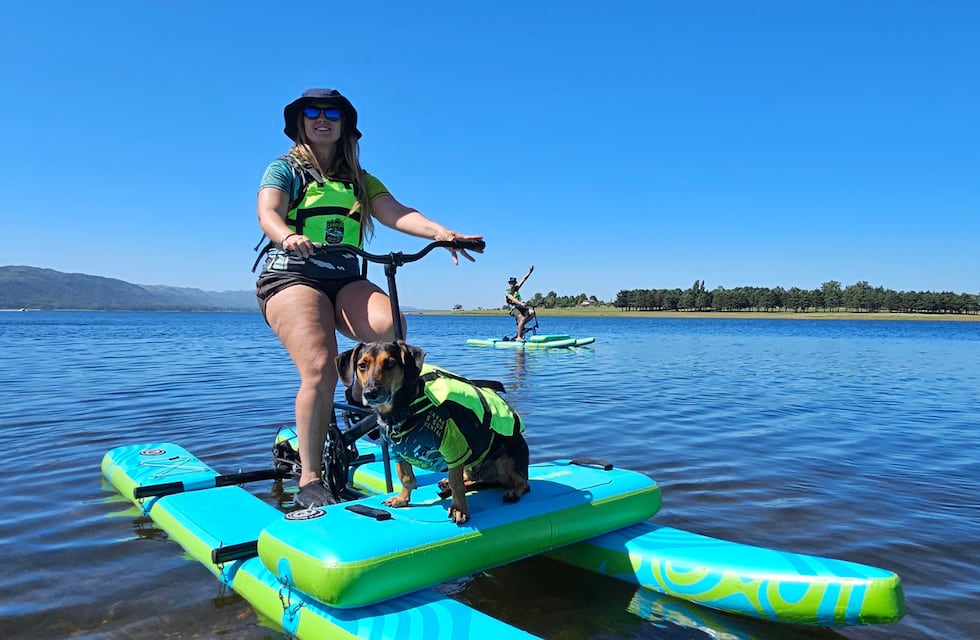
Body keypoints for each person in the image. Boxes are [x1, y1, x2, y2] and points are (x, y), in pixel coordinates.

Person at [255, 88, 482, 507]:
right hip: (291, 278)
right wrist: (286, 235)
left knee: (389, 328)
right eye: (313, 112)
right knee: (321, 367)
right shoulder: (284, 169)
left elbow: (397, 211)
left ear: (345, 126)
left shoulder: (360, 178)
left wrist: (442, 233)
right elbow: (268, 210)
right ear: (300, 122)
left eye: (332, 114)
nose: (322, 118)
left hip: (344, 279)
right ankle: (309, 478)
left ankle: (374, 395)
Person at [505, 265, 534, 341]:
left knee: (532, 313)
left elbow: (523, 279)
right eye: (511, 283)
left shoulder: (517, 288)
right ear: (509, 283)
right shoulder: (507, 291)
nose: (512, 284)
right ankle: (518, 337)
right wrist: (521, 303)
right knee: (522, 318)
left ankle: (521, 326)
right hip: (513, 309)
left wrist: (529, 272)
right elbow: (513, 299)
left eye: (514, 283)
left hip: (520, 307)